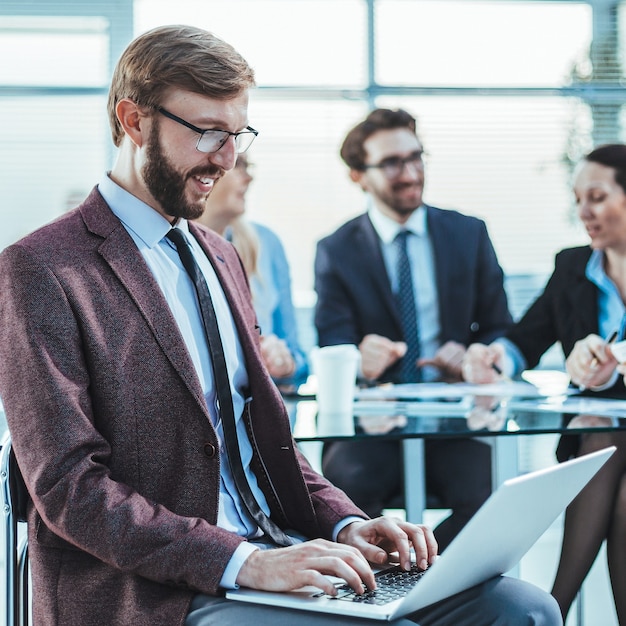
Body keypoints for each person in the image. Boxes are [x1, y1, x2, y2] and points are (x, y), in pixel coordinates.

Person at [0, 25, 560, 626]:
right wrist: (243, 562)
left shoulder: (220, 255)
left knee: (519, 607)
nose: (228, 157)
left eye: (237, 135)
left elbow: (264, 445)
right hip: (163, 592)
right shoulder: (42, 269)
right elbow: (68, 489)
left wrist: (349, 523)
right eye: (210, 133)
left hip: (278, 552)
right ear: (134, 121)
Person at [314, 108, 513, 550]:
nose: (410, 173)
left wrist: (480, 355)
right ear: (357, 176)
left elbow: (500, 326)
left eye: (416, 157)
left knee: (495, 493)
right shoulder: (336, 250)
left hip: (455, 419)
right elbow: (333, 341)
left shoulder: (468, 233)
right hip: (372, 428)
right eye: (391, 163)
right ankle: (370, 607)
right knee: (342, 494)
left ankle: (427, 588)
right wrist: (360, 359)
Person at [462, 144, 626, 623]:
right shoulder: (574, 266)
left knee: (604, 444)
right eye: (578, 199)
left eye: (596, 197)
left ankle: (554, 604)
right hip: (599, 444)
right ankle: (553, 608)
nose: (584, 212)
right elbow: (524, 341)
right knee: (608, 451)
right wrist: (495, 357)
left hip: (597, 449)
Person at [195, 154, 309, 387]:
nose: (249, 178)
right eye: (238, 166)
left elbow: (301, 358)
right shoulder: (165, 250)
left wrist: (285, 362)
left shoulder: (267, 244)